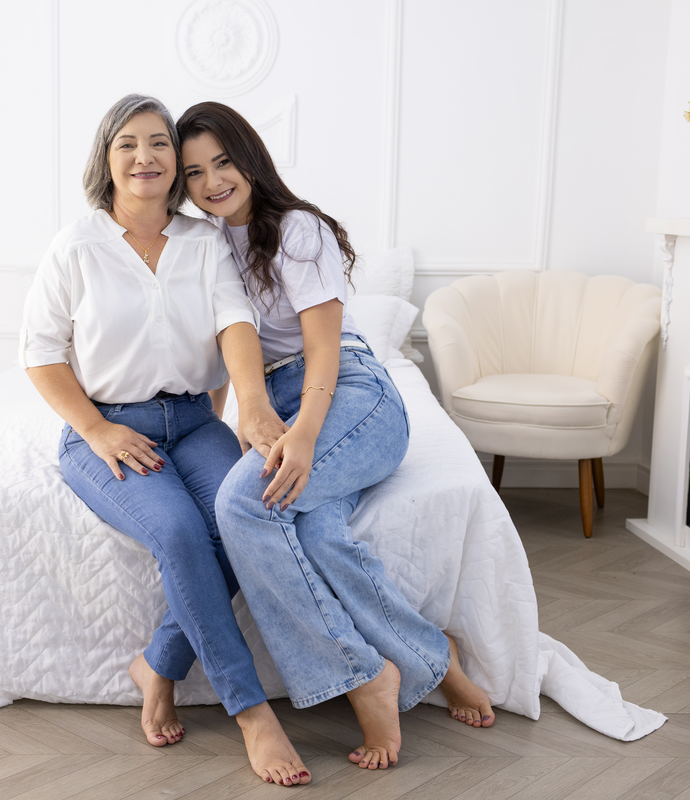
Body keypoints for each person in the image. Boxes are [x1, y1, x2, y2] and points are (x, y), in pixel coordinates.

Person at [179, 102, 496, 772]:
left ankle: (364, 675)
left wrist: (302, 436)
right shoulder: (200, 246)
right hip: (280, 402)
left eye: (223, 161)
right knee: (316, 531)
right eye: (194, 171)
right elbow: (222, 352)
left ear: (250, 158)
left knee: (244, 504)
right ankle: (434, 657)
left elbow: (323, 351)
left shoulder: (296, 229)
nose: (212, 180)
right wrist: (224, 421)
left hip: (349, 395)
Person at [20, 94, 309, 787]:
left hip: (194, 423)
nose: (145, 157)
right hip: (108, 430)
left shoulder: (203, 241)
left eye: (157, 144)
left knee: (246, 516)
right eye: (128, 144)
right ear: (107, 159)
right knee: (181, 532)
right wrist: (95, 428)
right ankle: (251, 713)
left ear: (174, 164)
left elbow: (234, 324)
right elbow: (39, 352)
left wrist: (253, 409)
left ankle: (158, 660)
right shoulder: (76, 245)